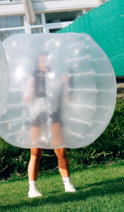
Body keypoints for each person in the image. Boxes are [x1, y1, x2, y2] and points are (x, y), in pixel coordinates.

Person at [24, 53, 76, 198]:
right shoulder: (32, 78)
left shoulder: (56, 78)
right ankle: (32, 189)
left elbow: (66, 98)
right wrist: (33, 89)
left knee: (61, 151)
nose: (45, 62)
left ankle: (68, 184)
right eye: (42, 60)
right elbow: (26, 100)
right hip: (37, 116)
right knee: (35, 153)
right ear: (37, 63)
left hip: (53, 115)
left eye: (47, 59)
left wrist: (67, 84)